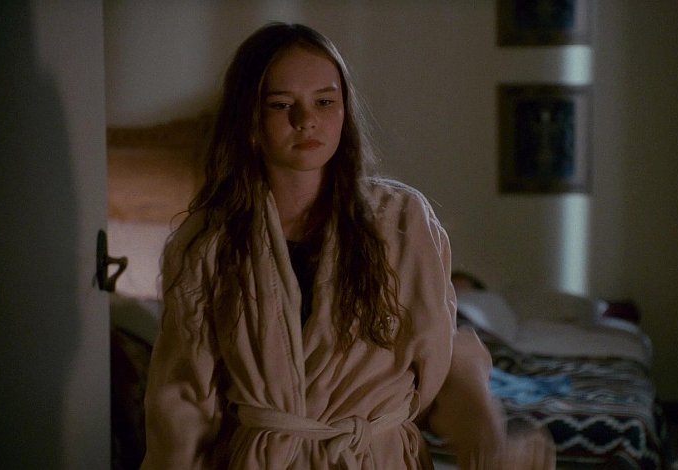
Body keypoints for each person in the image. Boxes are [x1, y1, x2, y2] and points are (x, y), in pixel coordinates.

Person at [141, 22, 554, 469]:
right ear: (250, 119)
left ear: (345, 109)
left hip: (375, 456)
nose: (306, 120)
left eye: (324, 101)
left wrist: (485, 436)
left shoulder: (402, 221)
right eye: (281, 104)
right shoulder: (208, 243)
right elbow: (182, 404)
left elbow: (439, 359)